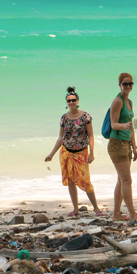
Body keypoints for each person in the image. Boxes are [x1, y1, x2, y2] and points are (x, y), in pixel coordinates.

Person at [44, 86, 103, 218]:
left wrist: (92, 153)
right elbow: (60, 137)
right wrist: (51, 154)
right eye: (69, 101)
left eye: (73, 100)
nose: (71, 103)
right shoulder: (64, 118)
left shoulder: (85, 117)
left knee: (85, 180)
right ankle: (75, 209)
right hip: (66, 152)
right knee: (70, 180)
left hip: (81, 152)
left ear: (78, 101)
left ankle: (96, 208)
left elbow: (91, 136)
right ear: (66, 103)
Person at [108, 72, 137, 223]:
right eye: (125, 84)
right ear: (120, 85)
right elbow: (114, 124)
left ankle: (116, 214)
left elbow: (132, 126)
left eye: (130, 84)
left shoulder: (130, 102)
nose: (128, 86)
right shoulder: (117, 101)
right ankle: (133, 214)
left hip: (126, 144)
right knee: (127, 180)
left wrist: (134, 147)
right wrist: (124, 126)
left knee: (122, 180)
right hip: (116, 144)